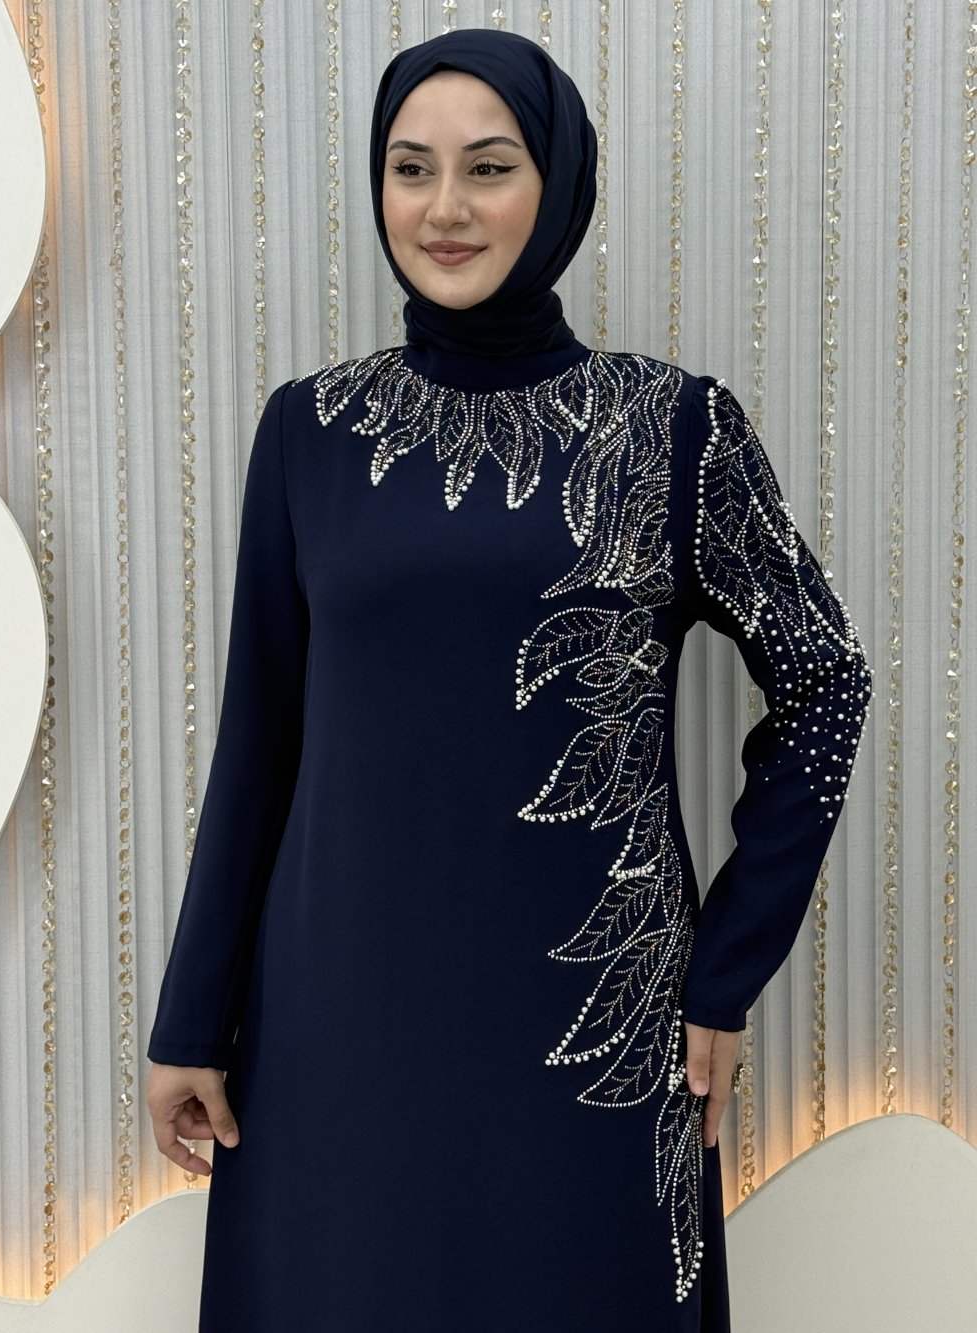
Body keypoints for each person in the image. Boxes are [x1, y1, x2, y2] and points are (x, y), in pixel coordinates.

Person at [146, 29, 871, 1333]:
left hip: (586, 1026)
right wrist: (189, 1018)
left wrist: (722, 973)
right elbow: (260, 736)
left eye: (488, 167)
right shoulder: (310, 431)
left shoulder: (671, 429)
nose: (445, 207)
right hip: (334, 1018)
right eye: (410, 168)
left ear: (559, 183)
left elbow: (827, 676)